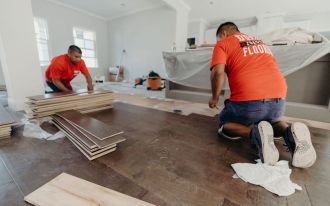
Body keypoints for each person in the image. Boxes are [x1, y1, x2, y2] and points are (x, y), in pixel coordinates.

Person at [209, 22, 316, 168]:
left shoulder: (223, 43)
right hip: (279, 99)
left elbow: (218, 73)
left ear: (223, 34)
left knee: (224, 124)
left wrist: (214, 97)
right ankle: (289, 131)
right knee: (271, 122)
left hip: (250, 102)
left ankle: (255, 133)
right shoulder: (260, 42)